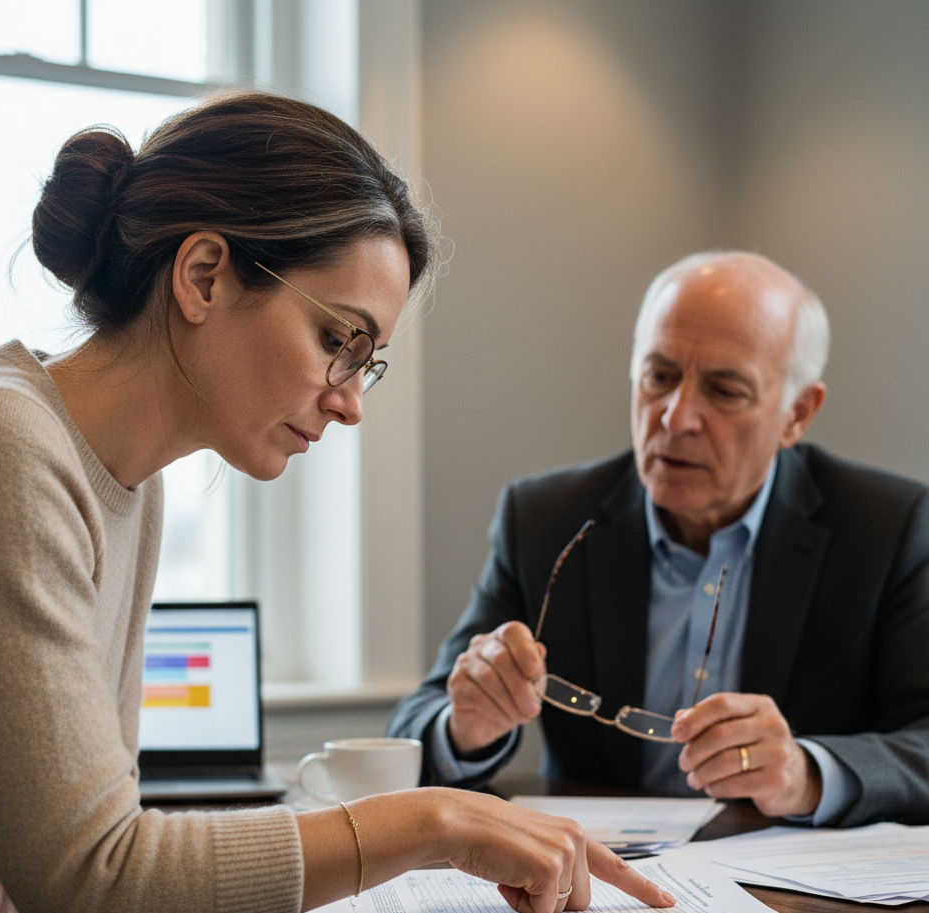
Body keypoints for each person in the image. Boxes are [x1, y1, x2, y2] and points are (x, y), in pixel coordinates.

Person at [0, 93, 674, 913]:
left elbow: (87, 832)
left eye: (368, 362)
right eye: (337, 342)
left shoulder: (121, 479)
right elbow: (96, 889)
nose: (351, 403)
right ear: (202, 276)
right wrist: (431, 821)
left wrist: (14, 854)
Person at [389, 250, 929, 829]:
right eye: (660, 377)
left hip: (799, 899)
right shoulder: (547, 521)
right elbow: (417, 728)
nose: (676, 418)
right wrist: (464, 727)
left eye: (724, 390)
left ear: (797, 413)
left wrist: (807, 773)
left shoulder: (885, 528)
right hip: (593, 889)